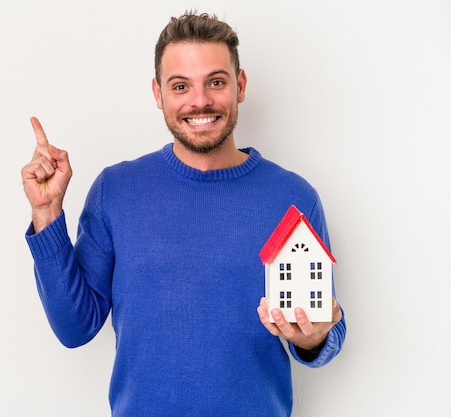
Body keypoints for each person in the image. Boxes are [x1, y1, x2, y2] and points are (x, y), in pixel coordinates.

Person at [21, 11, 346, 417]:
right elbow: (75, 327)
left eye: (216, 81)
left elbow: (324, 327)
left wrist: (313, 339)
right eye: (180, 86)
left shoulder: (293, 198)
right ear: (158, 93)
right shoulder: (115, 190)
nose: (200, 101)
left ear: (239, 86)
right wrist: (47, 212)